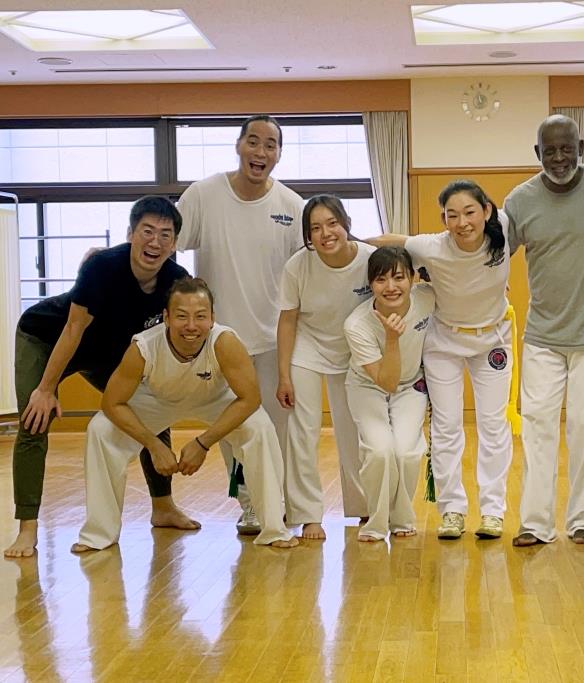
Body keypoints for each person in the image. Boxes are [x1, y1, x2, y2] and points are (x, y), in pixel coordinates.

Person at [6, 196, 197, 559]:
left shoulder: (176, 280)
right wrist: (46, 388)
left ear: (174, 243)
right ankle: (27, 529)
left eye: (165, 235)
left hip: (107, 352)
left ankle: (163, 507)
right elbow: (73, 330)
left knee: (150, 405)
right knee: (34, 420)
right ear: (130, 234)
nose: (155, 242)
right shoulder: (102, 267)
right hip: (48, 338)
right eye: (147, 231)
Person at [175, 115, 336, 535]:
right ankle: (249, 504)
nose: (260, 152)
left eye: (270, 145)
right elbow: (168, 244)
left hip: (274, 339)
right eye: (253, 141)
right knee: (233, 429)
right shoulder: (203, 195)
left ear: (279, 154)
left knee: (278, 429)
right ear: (238, 145)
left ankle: (276, 501)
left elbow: (312, 266)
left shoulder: (292, 206)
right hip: (219, 342)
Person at [72, 277, 299, 552]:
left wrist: (203, 443)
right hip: (157, 399)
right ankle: (99, 534)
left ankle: (273, 528)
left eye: (200, 316)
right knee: (101, 429)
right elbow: (111, 403)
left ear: (212, 318)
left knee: (259, 427)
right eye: (181, 316)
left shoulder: (225, 342)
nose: (191, 326)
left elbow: (250, 399)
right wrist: (153, 444)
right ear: (166, 318)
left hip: (215, 399)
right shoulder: (143, 347)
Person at [373, 180, 514, 539]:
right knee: (446, 426)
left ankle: (493, 511)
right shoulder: (432, 247)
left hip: (492, 340)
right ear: (444, 219)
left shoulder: (505, 228)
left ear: (486, 211)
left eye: (470, 212)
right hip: (445, 342)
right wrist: (342, 243)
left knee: (493, 425)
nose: (462, 222)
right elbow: (388, 241)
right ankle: (452, 510)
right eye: (452, 215)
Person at [505, 115, 584, 547]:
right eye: (549, 151)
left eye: (566, 148)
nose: (559, 158)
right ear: (538, 153)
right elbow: (491, 255)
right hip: (542, 338)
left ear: (581, 147)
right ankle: (535, 524)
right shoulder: (519, 200)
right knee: (537, 433)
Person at [276, 195, 374, 540]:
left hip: (353, 350)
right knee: (302, 431)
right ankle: (307, 515)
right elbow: (287, 320)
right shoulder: (297, 266)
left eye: (332, 223)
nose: (326, 233)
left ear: (346, 223)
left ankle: (364, 508)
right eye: (315, 228)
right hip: (307, 346)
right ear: (308, 235)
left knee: (353, 431)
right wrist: (284, 375)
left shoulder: (369, 259)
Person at [344, 247, 433, 541]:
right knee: (380, 451)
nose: (391, 287)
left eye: (398, 277)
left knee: (407, 452)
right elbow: (386, 382)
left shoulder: (427, 298)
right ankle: (375, 523)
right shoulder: (357, 324)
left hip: (411, 385)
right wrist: (392, 339)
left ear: (413, 278)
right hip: (367, 386)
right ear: (371, 284)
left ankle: (402, 520)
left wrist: (494, 289)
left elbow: (460, 288)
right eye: (381, 280)